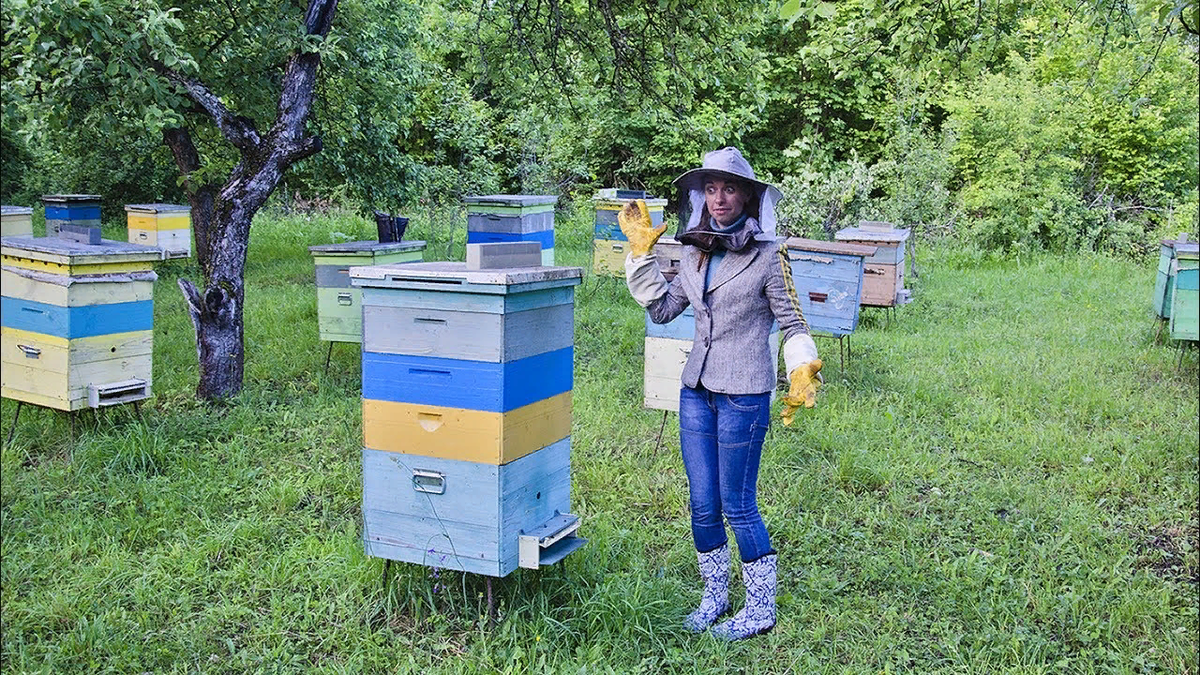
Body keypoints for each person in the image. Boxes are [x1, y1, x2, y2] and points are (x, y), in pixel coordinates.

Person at [617, 147, 823, 640]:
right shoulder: (694, 250)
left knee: (738, 504)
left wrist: (800, 367)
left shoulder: (770, 255)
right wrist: (640, 256)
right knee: (703, 504)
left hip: (743, 396)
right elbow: (664, 311)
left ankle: (760, 608)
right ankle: (715, 596)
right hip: (696, 392)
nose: (719, 197)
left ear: (749, 196)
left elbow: (792, 320)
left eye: (729, 188)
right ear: (700, 197)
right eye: (710, 188)